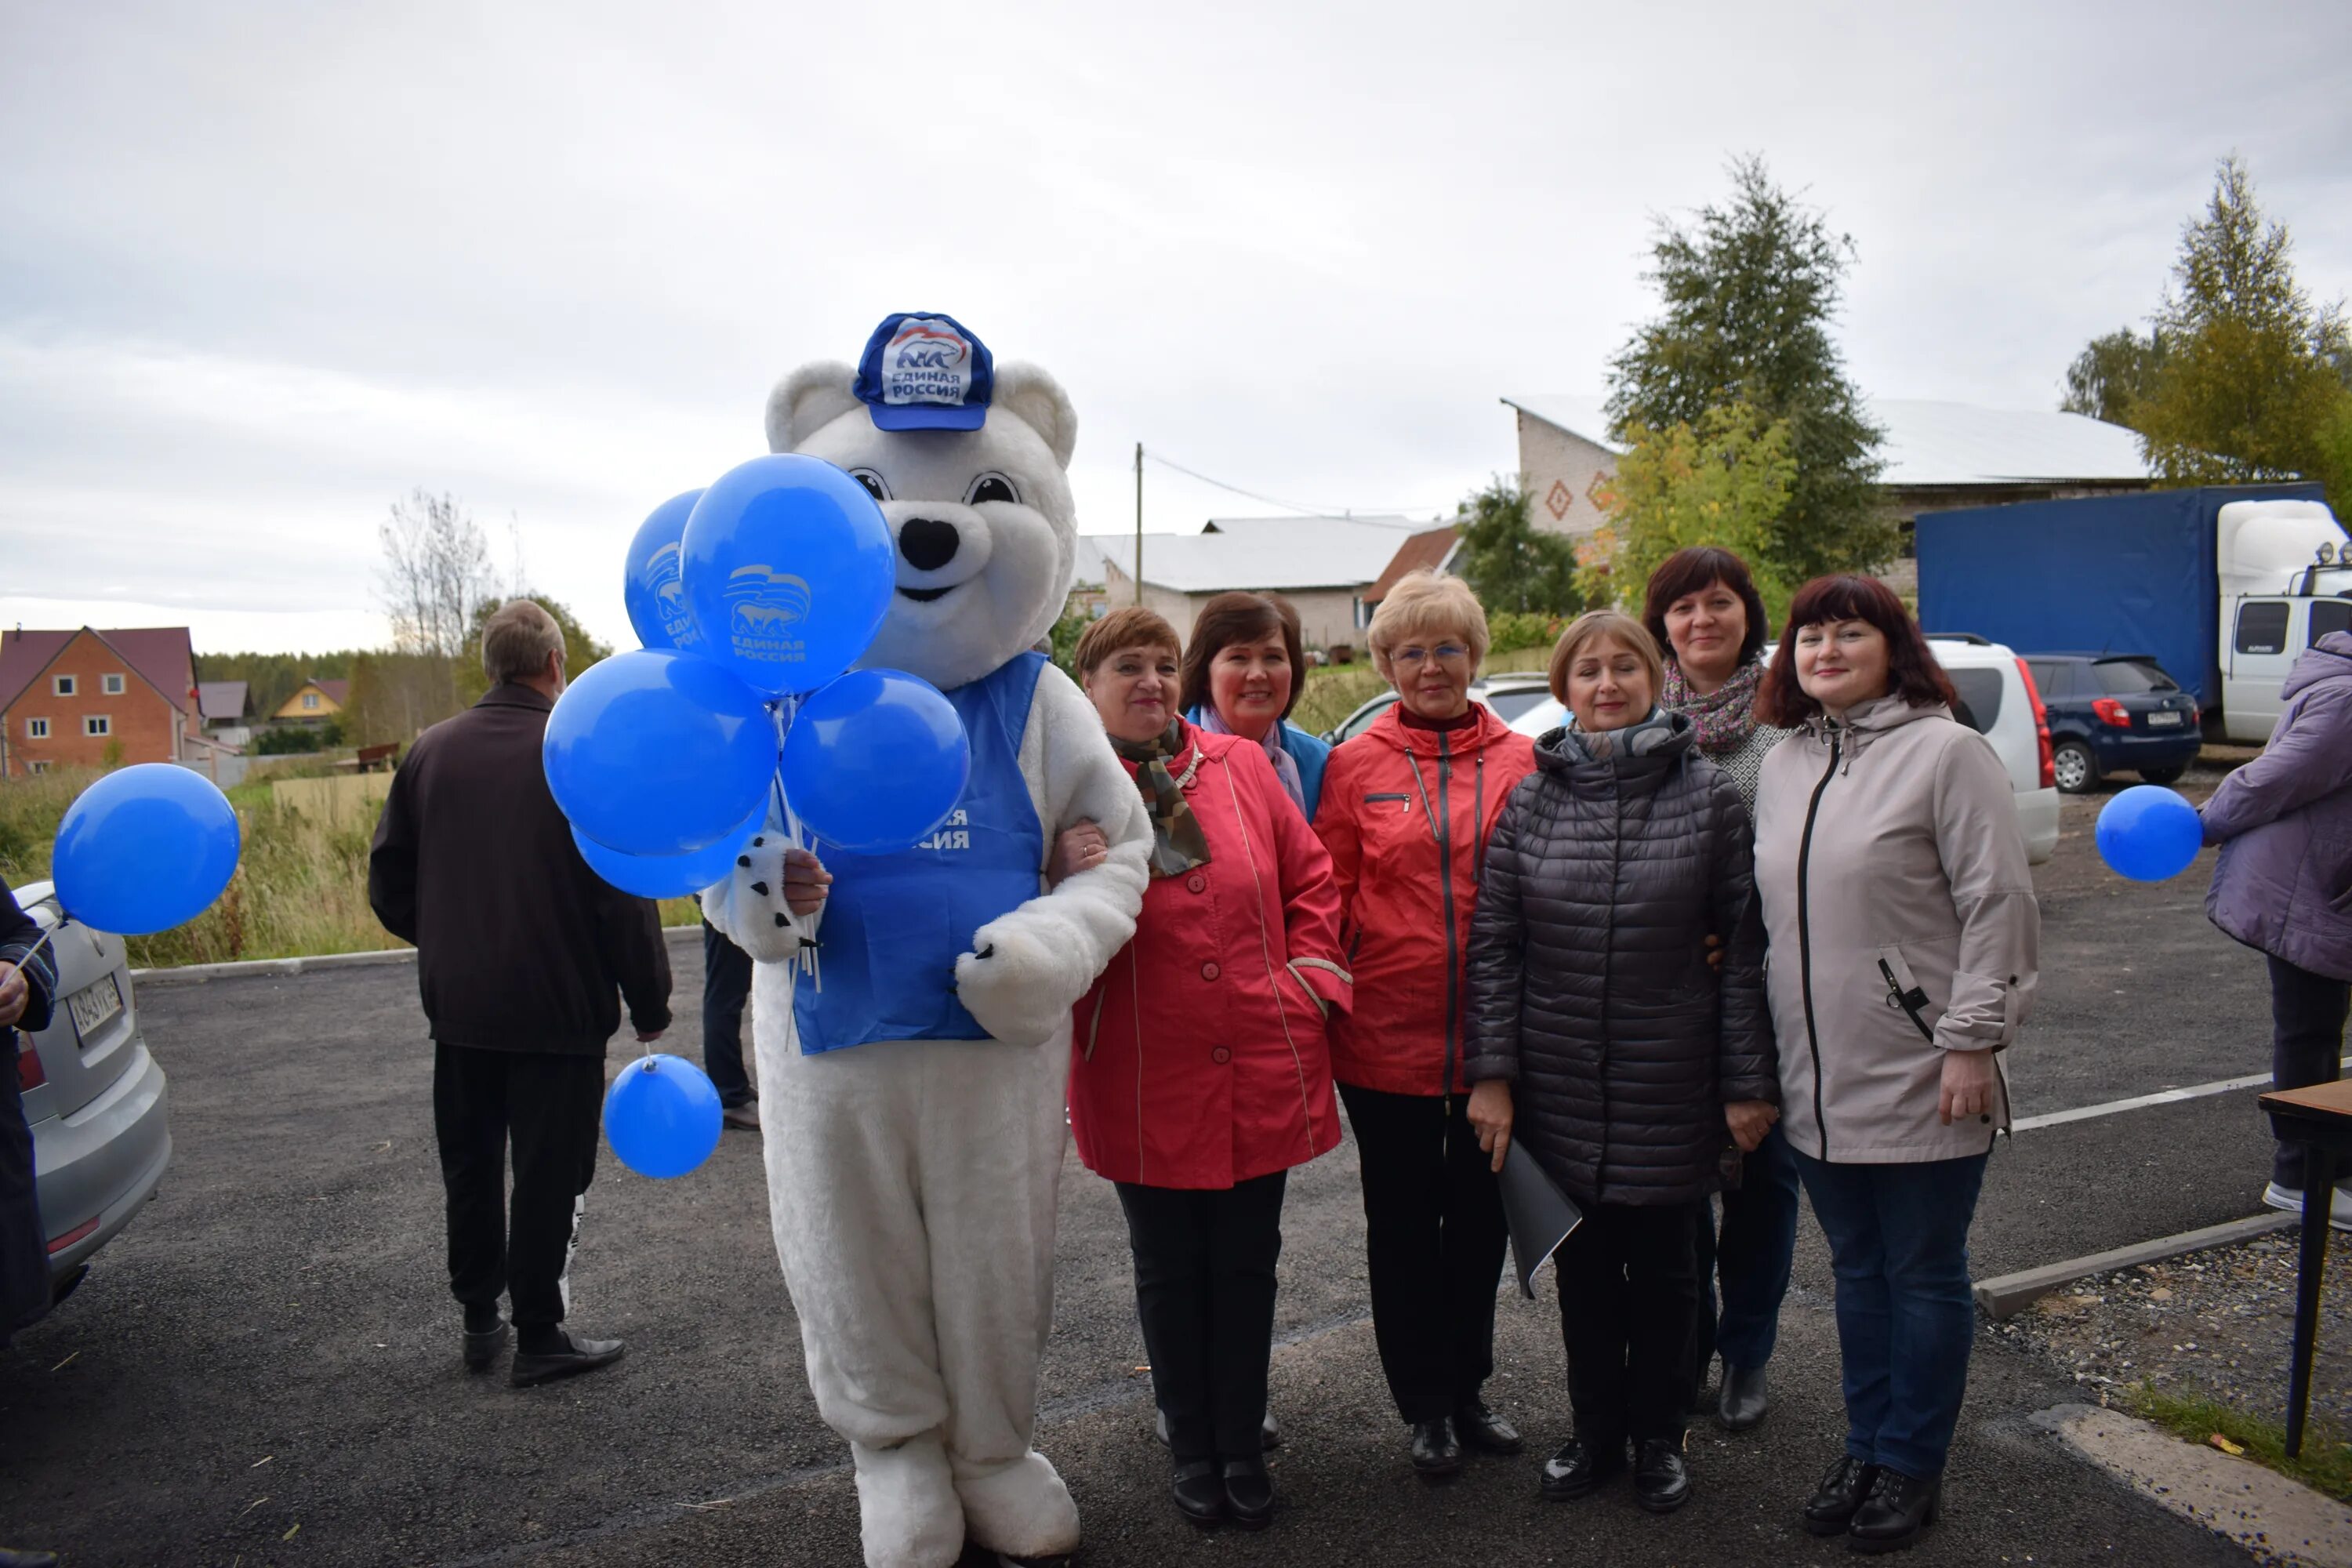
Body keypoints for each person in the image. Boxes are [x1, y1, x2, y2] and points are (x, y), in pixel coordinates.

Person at [1463, 611, 1774, 1513]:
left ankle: (1658, 1438)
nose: (1607, 684)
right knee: (1586, 1279)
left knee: (1672, 1277)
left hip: (1672, 1081)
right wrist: (1492, 1075)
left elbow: (1745, 947)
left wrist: (1748, 1082)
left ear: (1656, 676)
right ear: (1563, 689)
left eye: (1625, 667)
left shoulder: (1708, 794)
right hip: (1559, 1084)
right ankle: (1594, 1432)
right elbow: (1497, 946)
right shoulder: (1531, 799)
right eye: (1588, 670)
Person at [1751, 575, 2038, 1552]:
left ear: (1892, 647)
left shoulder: (1947, 752)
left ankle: (1913, 1463)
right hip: (1814, 1079)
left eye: (1848, 633)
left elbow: (1999, 906)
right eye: (1809, 637)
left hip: (1924, 1068)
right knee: (1857, 1272)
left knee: (1922, 1273)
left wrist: (1972, 1041)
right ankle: (1866, 1445)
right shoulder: (1786, 760)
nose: (1825, 650)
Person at [1053, 607, 1349, 1533]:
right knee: (1169, 1268)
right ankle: (1193, 1447)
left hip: (1261, 1051)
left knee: (1247, 1263)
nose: (1149, 680)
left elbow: (1312, 880)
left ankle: (1239, 1442)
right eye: (1127, 666)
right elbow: (1026, 918)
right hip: (1140, 1069)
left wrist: (1308, 983)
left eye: (1163, 664)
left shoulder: (1240, 766)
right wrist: (1054, 868)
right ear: (1087, 685)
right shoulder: (1060, 789)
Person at [368, 599, 675, 1388]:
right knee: (548, 1169)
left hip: (460, 1006)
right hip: (557, 1010)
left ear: (490, 666)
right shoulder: (578, 752)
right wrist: (649, 1000)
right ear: (553, 664)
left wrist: (449, 942)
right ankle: (539, 1330)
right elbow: (622, 890)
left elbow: (389, 881)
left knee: (469, 1162)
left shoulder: (430, 751)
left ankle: (479, 1317)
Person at [1312, 569, 1537, 1479]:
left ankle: (1471, 1385)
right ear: (1386, 662)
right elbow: (1325, 894)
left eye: (1448, 647)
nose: (1431, 665)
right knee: (1404, 1226)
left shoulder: (1522, 758)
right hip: (1385, 1041)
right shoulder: (1356, 763)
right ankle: (1426, 1404)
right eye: (1411, 650)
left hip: (1495, 1040)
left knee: (1481, 1222)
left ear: (1475, 655)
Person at [1642, 546, 1800, 1432]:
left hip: (1769, 999)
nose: (1702, 619)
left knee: (1764, 1191)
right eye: (1683, 607)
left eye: (1720, 603)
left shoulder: (1792, 725)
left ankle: (1748, 1351)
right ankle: (1688, 1344)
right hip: (1665, 1006)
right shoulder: (1635, 717)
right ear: (1660, 622)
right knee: (1676, 1194)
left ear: (1749, 614)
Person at [2201, 626, 2352, 1228]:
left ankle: (2325, 1168)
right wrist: (2205, 823)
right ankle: (2301, 1177)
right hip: (2301, 889)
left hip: (2323, 883)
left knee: (2316, 1029)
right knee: (2310, 1031)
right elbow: (2274, 778)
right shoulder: (2345, 699)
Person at [1178, 591, 1332, 819]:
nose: (1258, 674)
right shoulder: (1169, 764)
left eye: (1273, 657)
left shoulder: (1321, 763)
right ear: (1205, 674)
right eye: (1238, 658)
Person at [699, 918, 760, 1133]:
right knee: (726, 995)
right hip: (730, 899)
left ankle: (732, 1089)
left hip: (730, 897)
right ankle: (731, 1096)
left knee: (727, 993)